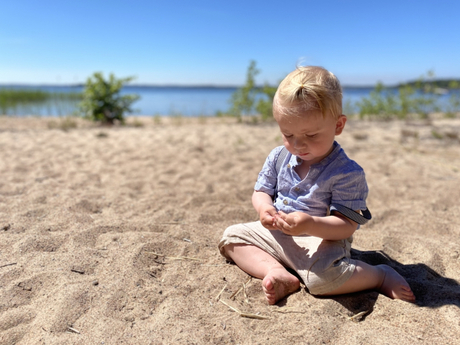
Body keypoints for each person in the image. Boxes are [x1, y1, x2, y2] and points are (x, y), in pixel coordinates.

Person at [218, 66, 415, 305]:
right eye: (287, 135)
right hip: (277, 234)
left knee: (323, 282)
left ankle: (379, 275)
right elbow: (261, 192)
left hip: (320, 241)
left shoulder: (347, 173)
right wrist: (264, 209)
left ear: (338, 126)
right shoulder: (279, 156)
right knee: (232, 237)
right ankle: (275, 271)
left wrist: (310, 224)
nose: (298, 145)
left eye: (311, 135)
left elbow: (345, 226)